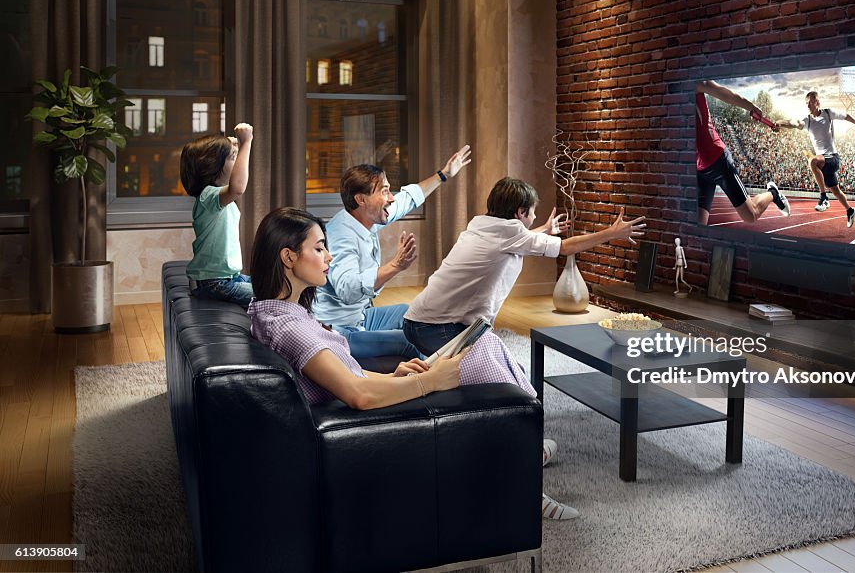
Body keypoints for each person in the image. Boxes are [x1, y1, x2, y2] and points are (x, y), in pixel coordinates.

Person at [248, 207, 579, 520]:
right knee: (484, 350)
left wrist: (394, 374)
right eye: (319, 249)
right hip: (369, 420)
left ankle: (525, 450)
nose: (329, 257)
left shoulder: (279, 312)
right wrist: (431, 382)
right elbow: (357, 395)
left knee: (483, 343)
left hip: (367, 404)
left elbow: (344, 371)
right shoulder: (288, 327)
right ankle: (523, 480)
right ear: (288, 257)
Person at [402, 177, 647, 356]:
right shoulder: (511, 234)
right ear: (521, 212)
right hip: (436, 331)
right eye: (532, 213)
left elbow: (515, 243)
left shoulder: (482, 226)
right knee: (498, 369)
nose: (533, 219)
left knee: (499, 360)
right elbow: (566, 247)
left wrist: (545, 231)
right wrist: (611, 233)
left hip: (417, 323)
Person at [313, 146, 471, 360]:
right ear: (362, 200)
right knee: (412, 342)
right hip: (339, 333)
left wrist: (443, 175)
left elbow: (407, 199)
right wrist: (396, 265)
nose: (392, 198)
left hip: (360, 318)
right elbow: (348, 290)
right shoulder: (342, 235)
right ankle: (441, 382)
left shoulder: (362, 218)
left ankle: (461, 358)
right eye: (384, 191)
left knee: (413, 314)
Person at [695, 80, 791, 226]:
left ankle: (773, 193)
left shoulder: (693, 82)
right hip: (699, 168)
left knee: (750, 216)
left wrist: (751, 106)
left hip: (718, 161)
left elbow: (725, 94)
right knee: (697, 226)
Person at [180, 122, 254, 307]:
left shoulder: (217, 197)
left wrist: (233, 148)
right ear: (212, 166)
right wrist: (246, 142)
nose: (237, 163)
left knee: (278, 287)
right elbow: (238, 187)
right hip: (214, 283)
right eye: (232, 159)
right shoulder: (208, 195)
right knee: (276, 296)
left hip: (228, 278)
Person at [776, 91, 855, 228]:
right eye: (806, 103)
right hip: (824, 163)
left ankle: (823, 197)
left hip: (832, 158)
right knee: (836, 191)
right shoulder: (807, 120)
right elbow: (793, 123)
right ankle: (850, 210)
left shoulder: (828, 113)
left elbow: (846, 116)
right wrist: (779, 123)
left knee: (812, 161)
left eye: (810, 102)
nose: (808, 105)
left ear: (817, 102)